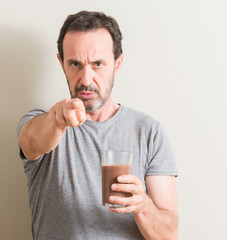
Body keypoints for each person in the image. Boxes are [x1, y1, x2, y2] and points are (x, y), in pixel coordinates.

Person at [17, 10, 178, 240]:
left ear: (117, 63)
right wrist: (56, 120)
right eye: (75, 64)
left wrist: (143, 206)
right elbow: (31, 142)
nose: (85, 79)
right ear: (61, 63)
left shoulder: (149, 132)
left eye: (98, 64)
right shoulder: (44, 123)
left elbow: (169, 235)